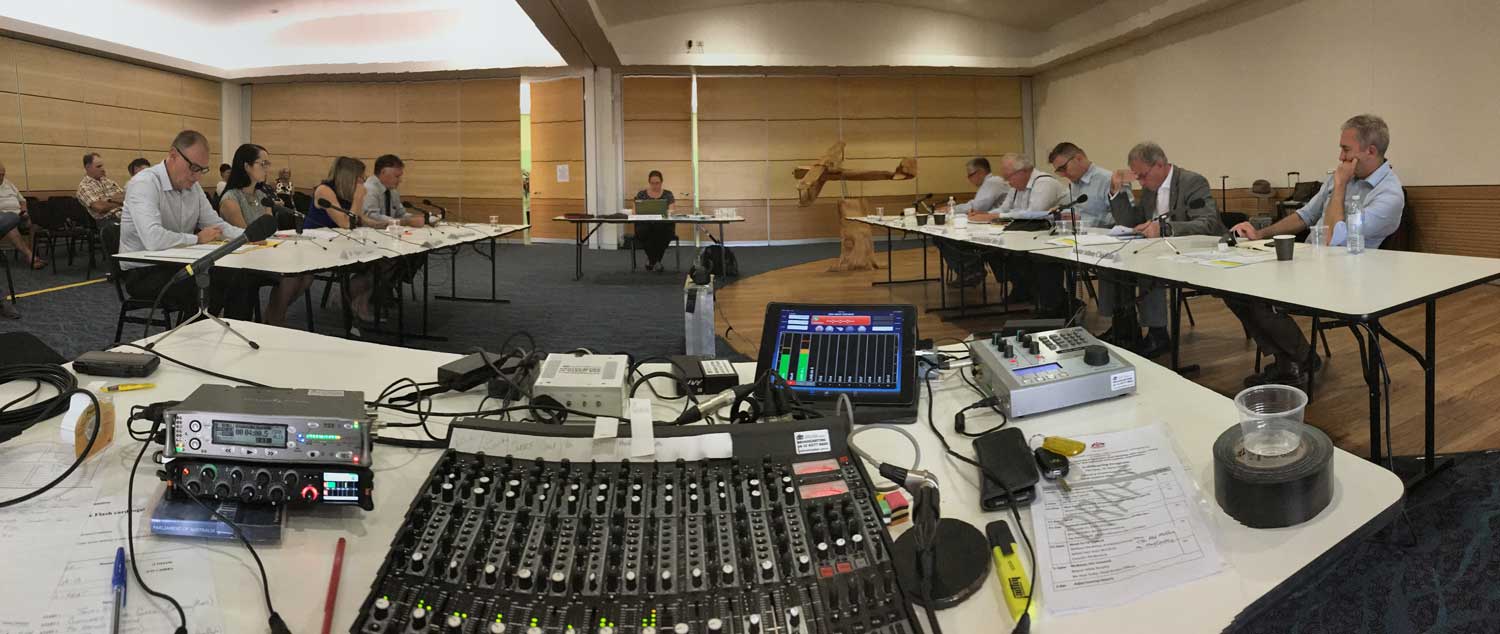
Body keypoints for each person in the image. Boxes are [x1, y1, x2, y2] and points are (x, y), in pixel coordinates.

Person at [1225, 114, 1403, 387]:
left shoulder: (1388, 195)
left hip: (1347, 279)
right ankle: (1289, 358)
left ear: (1371, 151)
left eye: (1346, 150)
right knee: (1234, 287)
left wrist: (1341, 185)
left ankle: (1300, 359)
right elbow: (1305, 216)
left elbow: (1332, 238)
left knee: (1258, 297)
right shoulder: (1342, 177)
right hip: (1311, 264)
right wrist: (1259, 234)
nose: (1340, 156)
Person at [1104, 142, 1224, 357]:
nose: (1140, 182)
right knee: (1111, 262)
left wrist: (1165, 229)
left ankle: (1157, 335)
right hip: (1164, 249)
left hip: (1198, 250)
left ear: (1159, 165)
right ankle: (1124, 327)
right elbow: (1132, 220)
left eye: (1142, 175)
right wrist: (1117, 191)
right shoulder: (1151, 189)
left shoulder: (1192, 181)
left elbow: (1207, 224)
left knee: (1148, 267)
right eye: (1137, 177)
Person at [118, 130, 244, 312]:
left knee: (238, 277)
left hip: (178, 263)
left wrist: (247, 236)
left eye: (202, 169)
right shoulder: (144, 183)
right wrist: (197, 239)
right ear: (173, 155)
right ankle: (195, 337)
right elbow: (153, 239)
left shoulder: (193, 187)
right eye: (193, 167)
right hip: (144, 271)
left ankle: (221, 335)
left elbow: (216, 225)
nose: (197, 176)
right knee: (208, 286)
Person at [220, 143, 314, 327]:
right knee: (290, 275)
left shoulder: (262, 195)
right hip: (243, 262)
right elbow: (246, 237)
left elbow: (270, 230)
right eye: (262, 163)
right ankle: (276, 320)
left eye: (267, 163)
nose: (267, 168)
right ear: (246, 166)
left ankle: (273, 316)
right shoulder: (230, 199)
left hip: (266, 254)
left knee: (307, 273)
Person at [304, 156, 377, 322]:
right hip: (317, 247)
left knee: (381, 261)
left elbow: (362, 219)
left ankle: (358, 301)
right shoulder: (325, 190)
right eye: (361, 178)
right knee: (372, 262)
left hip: (340, 245)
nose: (363, 182)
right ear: (350, 176)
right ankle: (346, 297)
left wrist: (393, 223)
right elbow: (346, 223)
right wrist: (358, 199)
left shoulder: (346, 193)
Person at [934, 157, 1011, 287]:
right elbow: (975, 205)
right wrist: (953, 208)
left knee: (944, 238)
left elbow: (978, 207)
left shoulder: (993, 182)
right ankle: (970, 270)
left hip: (998, 229)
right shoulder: (988, 185)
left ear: (980, 172)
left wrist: (952, 209)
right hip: (991, 225)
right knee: (944, 237)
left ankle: (971, 271)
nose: (969, 179)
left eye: (970, 175)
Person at [1048, 142, 1120, 229]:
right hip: (1078, 236)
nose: (1063, 175)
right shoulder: (1074, 182)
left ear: (1079, 158)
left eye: (1063, 168)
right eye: (1058, 171)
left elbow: (1123, 219)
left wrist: (1082, 220)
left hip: (1105, 238)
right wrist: (1063, 213)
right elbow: (1077, 211)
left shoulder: (1110, 180)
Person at [0, 161, 44, 271]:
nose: (2, 177)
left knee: (33, 226)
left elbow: (22, 201)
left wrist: (24, 211)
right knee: (10, 226)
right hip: (4, 219)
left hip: (19, 216)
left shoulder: (8, 184)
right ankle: (30, 257)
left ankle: (31, 253)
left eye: (3, 174)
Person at [361, 155, 425, 228]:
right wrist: (406, 222)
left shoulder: (392, 191)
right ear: (383, 172)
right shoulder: (368, 189)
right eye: (397, 176)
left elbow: (400, 214)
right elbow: (373, 217)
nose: (400, 180)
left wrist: (416, 217)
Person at [633, 170, 677, 272]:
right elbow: (635, 211)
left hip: (663, 225)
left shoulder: (668, 194)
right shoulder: (641, 194)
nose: (655, 185)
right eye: (652, 183)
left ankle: (651, 261)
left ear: (661, 182)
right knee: (644, 231)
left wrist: (666, 212)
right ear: (649, 183)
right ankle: (656, 261)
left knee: (661, 232)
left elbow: (672, 210)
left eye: (657, 183)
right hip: (645, 224)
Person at [77, 153, 125, 220]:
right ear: (88, 167)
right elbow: (100, 208)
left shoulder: (108, 181)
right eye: (98, 166)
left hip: (126, 214)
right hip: (109, 220)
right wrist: (120, 203)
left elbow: (125, 197)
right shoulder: (84, 186)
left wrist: (108, 200)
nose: (103, 169)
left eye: (102, 166)